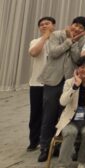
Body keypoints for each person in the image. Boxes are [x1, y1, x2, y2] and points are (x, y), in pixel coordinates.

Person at [38, 16, 85, 163]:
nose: (77, 29)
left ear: (84, 30)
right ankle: (45, 147)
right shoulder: (56, 35)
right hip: (52, 80)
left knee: (65, 115)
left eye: (81, 27)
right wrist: (69, 40)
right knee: (48, 115)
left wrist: (73, 42)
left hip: (70, 81)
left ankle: (60, 146)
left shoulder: (84, 40)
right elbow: (54, 53)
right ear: (70, 24)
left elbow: (78, 59)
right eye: (75, 25)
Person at [27, 16, 55, 152]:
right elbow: (33, 53)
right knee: (36, 113)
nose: (44, 26)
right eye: (42, 24)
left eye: (47, 23)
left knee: (51, 114)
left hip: (54, 82)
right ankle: (34, 141)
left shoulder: (58, 40)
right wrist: (44, 37)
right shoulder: (35, 41)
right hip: (37, 83)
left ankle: (49, 141)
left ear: (53, 25)